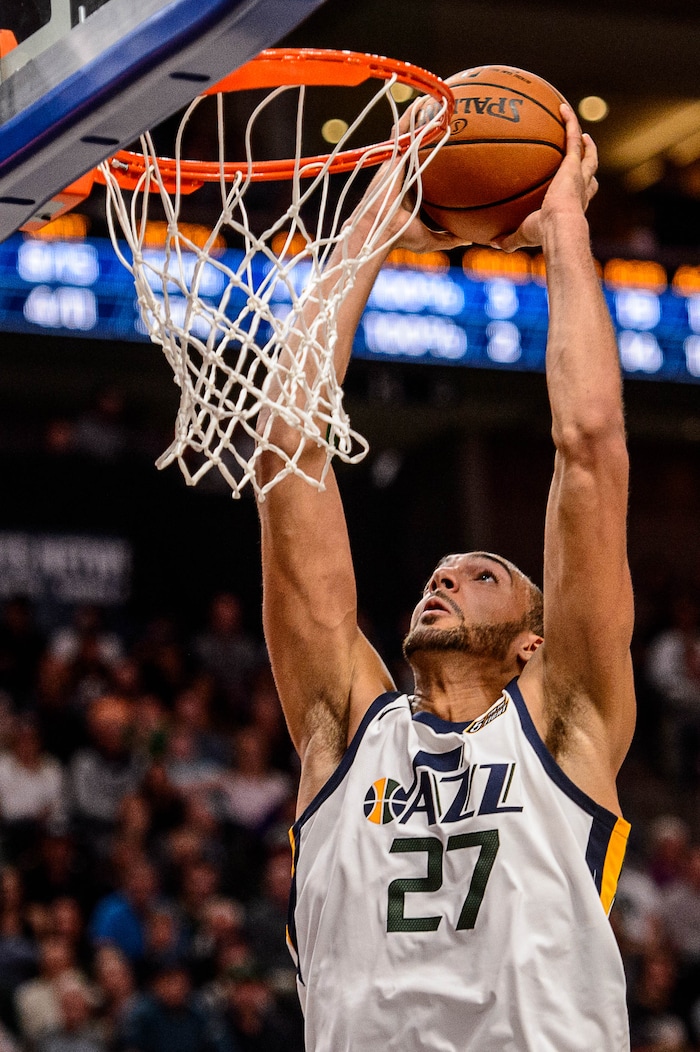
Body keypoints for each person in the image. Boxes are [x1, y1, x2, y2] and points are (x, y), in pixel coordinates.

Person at [253, 104, 636, 1051]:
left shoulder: (566, 721)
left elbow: (587, 447)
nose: (446, 577)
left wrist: (567, 236)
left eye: (484, 573)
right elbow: (288, 447)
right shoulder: (344, 729)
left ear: (533, 641)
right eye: (441, 570)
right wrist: (375, 220)